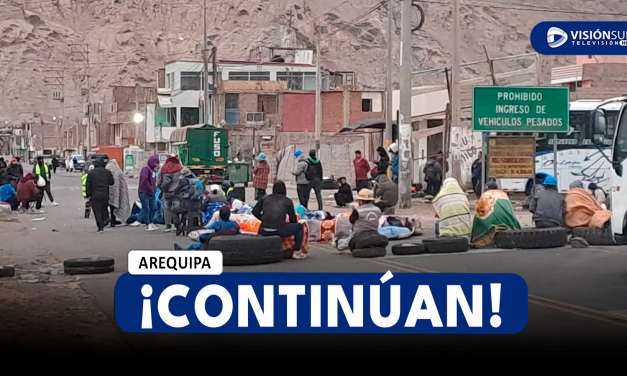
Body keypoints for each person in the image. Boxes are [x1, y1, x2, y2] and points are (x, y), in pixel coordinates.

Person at [253, 180, 306, 259]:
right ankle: (296, 251)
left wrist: (263, 218)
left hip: (263, 229)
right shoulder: (287, 201)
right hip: (279, 229)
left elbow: (254, 211)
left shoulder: (264, 198)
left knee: (264, 226)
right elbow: (293, 220)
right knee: (299, 227)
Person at [471, 181, 521, 247]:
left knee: (478, 219)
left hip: (491, 223)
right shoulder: (504, 194)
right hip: (508, 221)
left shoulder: (486, 194)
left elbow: (481, 211)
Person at [131, 154, 160, 231]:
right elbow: (144, 181)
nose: (157, 165)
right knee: (146, 208)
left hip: (152, 193)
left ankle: (150, 222)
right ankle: (147, 224)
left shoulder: (153, 170)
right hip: (144, 192)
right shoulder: (146, 169)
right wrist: (150, 189)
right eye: (156, 163)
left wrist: (154, 189)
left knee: (154, 208)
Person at [85, 159, 114, 233]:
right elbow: (112, 182)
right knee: (104, 208)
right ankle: (106, 220)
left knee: (97, 210)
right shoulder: (107, 172)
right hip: (105, 193)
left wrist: (88, 194)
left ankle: (100, 226)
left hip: (95, 194)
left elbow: (88, 185)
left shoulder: (91, 173)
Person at [157, 155, 184, 232]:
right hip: (177, 191)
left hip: (166, 192)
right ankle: (177, 224)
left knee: (166, 208)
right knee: (177, 208)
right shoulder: (180, 168)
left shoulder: (163, 168)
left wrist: (162, 188)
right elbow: (183, 180)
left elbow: (158, 181)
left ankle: (168, 225)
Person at [106, 159, 130, 228]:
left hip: (108, 191)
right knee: (114, 206)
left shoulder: (107, 168)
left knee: (108, 206)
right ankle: (113, 220)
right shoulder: (118, 170)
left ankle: (108, 220)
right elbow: (122, 181)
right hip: (116, 192)